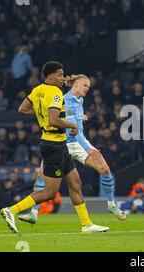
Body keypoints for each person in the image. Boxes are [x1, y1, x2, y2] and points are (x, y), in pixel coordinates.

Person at [0, 61, 108, 233]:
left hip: (57, 144)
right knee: (50, 192)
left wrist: (41, 111)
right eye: (59, 74)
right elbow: (53, 120)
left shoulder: (37, 90)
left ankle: (87, 224)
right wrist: (72, 125)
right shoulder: (56, 93)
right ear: (49, 76)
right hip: (54, 145)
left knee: (75, 182)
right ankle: (11, 210)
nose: (62, 78)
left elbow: (22, 109)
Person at [19, 74, 125, 225]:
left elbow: (71, 119)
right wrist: (88, 148)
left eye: (88, 86)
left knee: (105, 170)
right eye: (85, 85)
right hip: (63, 144)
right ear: (75, 85)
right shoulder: (64, 100)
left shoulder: (79, 100)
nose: (87, 89)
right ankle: (33, 213)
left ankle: (111, 205)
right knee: (42, 175)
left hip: (78, 143)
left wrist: (80, 117)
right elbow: (71, 129)